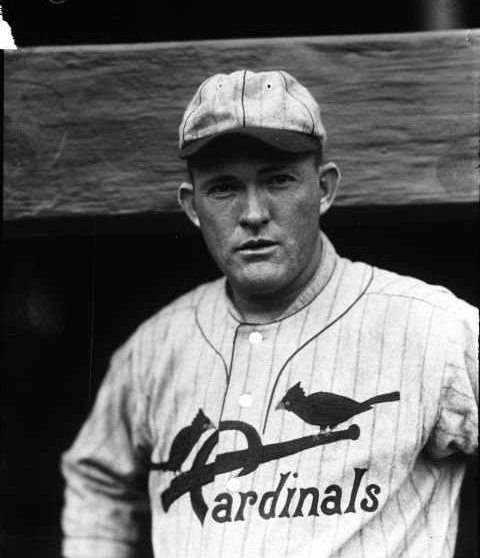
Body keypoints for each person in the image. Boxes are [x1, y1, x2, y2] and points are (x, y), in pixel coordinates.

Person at [61, 70, 478, 558]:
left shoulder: (435, 327)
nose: (254, 212)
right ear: (192, 206)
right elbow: (97, 476)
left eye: (279, 180)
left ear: (323, 189)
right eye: (223, 188)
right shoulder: (155, 346)